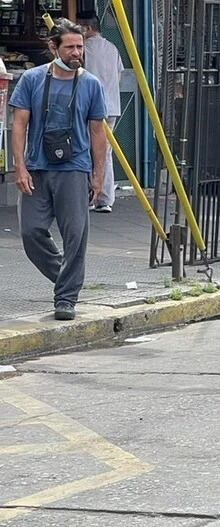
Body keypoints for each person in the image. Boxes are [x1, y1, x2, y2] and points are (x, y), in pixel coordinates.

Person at [9, 19, 109, 321]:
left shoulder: (91, 83)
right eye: (70, 47)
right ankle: (67, 276)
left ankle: (66, 296)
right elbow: (19, 124)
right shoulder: (32, 79)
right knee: (31, 231)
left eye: (80, 46)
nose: (77, 52)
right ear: (54, 47)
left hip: (74, 169)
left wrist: (98, 176)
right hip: (38, 167)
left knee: (75, 235)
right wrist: (20, 167)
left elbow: (97, 132)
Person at [77, 10, 122, 214]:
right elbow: (119, 73)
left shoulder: (83, 49)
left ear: (86, 28)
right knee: (105, 153)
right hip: (111, 106)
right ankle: (105, 198)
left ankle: (89, 196)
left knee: (85, 150)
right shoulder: (112, 48)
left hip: (89, 107)